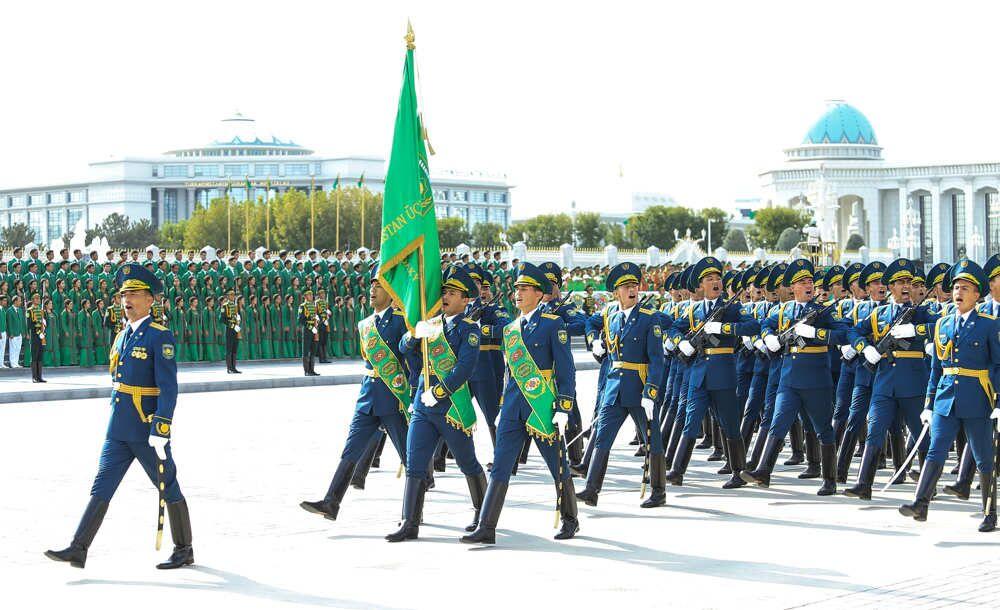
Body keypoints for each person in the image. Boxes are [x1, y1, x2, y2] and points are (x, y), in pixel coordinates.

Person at [45, 263, 194, 570]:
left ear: (150, 300)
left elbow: (169, 388)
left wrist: (161, 426)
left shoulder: (158, 337)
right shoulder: (123, 334)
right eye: (124, 294)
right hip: (118, 427)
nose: (127, 299)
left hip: (145, 428)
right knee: (102, 486)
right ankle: (78, 548)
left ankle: (184, 548)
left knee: (167, 484)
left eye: (135, 294)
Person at [462, 262, 579, 543]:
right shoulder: (511, 328)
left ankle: (570, 519)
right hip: (513, 406)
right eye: (516, 289)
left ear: (539, 294)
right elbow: (508, 372)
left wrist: (564, 407)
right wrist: (502, 407)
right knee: (501, 465)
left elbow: (566, 370)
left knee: (557, 464)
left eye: (525, 289)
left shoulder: (553, 324)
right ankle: (486, 527)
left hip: (542, 406)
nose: (518, 294)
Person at [301, 263, 413, 520]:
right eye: (372, 285)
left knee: (409, 456)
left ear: (392, 292)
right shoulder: (365, 324)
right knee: (351, 449)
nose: (373, 289)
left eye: (379, 285)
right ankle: (331, 503)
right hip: (368, 398)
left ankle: (413, 510)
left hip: (393, 397)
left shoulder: (401, 322)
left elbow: (412, 360)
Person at [386, 265, 486, 543]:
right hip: (422, 404)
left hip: (450, 405)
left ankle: (482, 513)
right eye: (444, 291)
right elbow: (403, 349)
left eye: (452, 293)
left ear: (466, 300)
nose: (445, 297)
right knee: (415, 462)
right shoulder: (431, 325)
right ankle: (410, 521)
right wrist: (412, 334)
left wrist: (440, 391)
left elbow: (466, 367)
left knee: (467, 461)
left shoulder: (469, 330)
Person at [900, 259, 1000, 532]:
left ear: (977, 295)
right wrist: (929, 403)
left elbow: (997, 365)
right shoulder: (942, 324)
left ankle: (990, 513)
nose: (958, 292)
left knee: (983, 457)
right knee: (936, 450)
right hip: (946, 397)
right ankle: (921, 503)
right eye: (956, 287)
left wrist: (999, 402)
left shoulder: (989, 325)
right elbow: (936, 368)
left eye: (965, 288)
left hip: (977, 398)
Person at [741, 258, 848, 495]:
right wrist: (770, 337)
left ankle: (830, 479)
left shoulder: (822, 312)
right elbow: (766, 324)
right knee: (777, 423)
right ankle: (763, 470)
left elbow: (842, 334)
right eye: (802, 282)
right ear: (793, 287)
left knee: (823, 428)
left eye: (810, 281)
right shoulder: (783, 311)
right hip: (789, 378)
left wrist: (816, 333)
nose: (809, 285)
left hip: (816, 379)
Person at [577, 262, 666, 507]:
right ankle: (591, 489)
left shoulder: (649, 318)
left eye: (634, 285)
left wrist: (651, 391)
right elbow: (595, 330)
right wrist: (594, 341)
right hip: (614, 388)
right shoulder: (610, 316)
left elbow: (657, 360)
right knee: (602, 438)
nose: (632, 290)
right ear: (616, 292)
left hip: (639, 388)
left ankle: (658, 491)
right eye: (626, 286)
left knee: (652, 441)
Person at [298, 290, 320, 376]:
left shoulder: (313, 306)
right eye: (309, 294)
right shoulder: (302, 306)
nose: (311, 296)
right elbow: (301, 320)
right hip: (307, 330)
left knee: (313, 350)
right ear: (305, 296)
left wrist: (318, 320)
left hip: (314, 330)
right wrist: (311, 327)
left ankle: (312, 370)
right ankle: (306, 371)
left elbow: (315, 318)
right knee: (306, 351)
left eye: (311, 294)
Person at [220, 289, 242, 374]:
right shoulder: (224, 306)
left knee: (234, 348)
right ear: (228, 296)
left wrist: (239, 320)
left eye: (234, 295)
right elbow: (222, 319)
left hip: (236, 329)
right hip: (230, 329)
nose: (233, 296)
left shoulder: (236, 306)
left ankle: (234, 367)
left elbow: (238, 316)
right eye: (231, 295)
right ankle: (229, 368)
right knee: (229, 349)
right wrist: (232, 326)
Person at [27, 292, 47, 382]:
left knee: (40, 356)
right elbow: (29, 324)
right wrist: (38, 326)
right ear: (32, 300)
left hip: (41, 335)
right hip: (34, 335)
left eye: (39, 298)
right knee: (34, 356)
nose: (38, 300)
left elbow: (45, 322)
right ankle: (34, 377)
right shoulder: (29, 311)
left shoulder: (41, 310)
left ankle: (39, 377)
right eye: (36, 298)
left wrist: (44, 324)